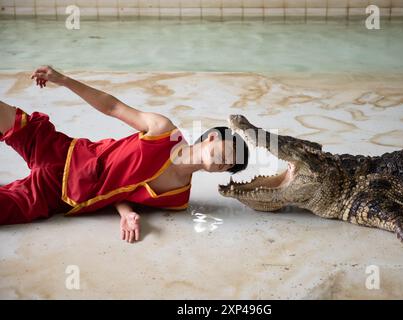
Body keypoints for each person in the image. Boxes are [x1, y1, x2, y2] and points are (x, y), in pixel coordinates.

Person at [0, 66, 249, 243]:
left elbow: (123, 191)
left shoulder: (178, 198)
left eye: (228, 166)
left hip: (58, 197)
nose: (223, 163)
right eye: (227, 153)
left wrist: (127, 214)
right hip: (63, 152)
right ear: (212, 137)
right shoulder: (162, 131)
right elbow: (112, 106)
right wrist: (63, 79)